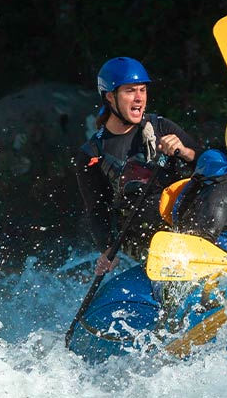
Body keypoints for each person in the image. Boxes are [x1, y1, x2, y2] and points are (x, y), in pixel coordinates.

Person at [75, 56, 200, 274]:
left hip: (182, 227)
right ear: (110, 98)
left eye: (142, 90)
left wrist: (186, 152)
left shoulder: (161, 127)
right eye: (130, 91)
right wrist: (106, 249)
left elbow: (209, 164)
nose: (139, 98)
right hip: (141, 244)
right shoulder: (92, 153)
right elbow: (97, 209)